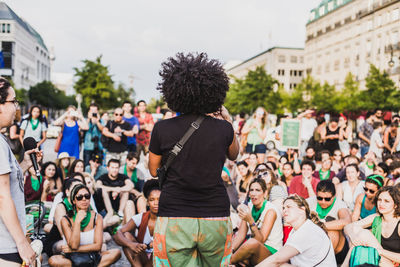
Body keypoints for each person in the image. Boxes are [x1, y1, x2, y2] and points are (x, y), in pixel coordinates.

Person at [148, 52, 239, 266]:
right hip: (215, 213)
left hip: (175, 214)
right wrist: (227, 119)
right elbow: (234, 154)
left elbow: (153, 171)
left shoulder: (162, 128)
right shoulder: (224, 128)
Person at [0, 77, 41, 266]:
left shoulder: (2, 140)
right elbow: (2, 196)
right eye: (13, 101)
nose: (17, 107)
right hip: (5, 243)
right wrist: (22, 242)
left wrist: (24, 164)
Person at [48, 184, 121, 266]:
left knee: (116, 252)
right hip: (72, 258)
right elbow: (74, 245)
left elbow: (97, 246)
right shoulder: (66, 219)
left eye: (87, 196)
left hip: (92, 256)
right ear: (74, 201)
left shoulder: (97, 217)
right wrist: (77, 222)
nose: (84, 199)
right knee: (53, 260)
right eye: (79, 197)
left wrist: (74, 250)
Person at [257, 195, 337, 266]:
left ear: (302, 210)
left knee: (276, 263)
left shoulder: (306, 231)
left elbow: (276, 260)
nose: (284, 210)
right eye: (283, 208)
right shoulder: (299, 229)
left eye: (289, 207)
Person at [231, 178, 283, 266]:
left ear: (265, 193)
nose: (254, 193)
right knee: (239, 253)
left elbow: (260, 240)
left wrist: (251, 221)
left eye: (258, 190)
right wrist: (230, 250)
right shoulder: (249, 207)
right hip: (253, 248)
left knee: (251, 243)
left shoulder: (271, 210)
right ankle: (230, 258)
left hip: (271, 251)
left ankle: (226, 262)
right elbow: (241, 235)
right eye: (251, 190)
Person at [344, 186, 400, 266]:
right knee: (357, 231)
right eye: (379, 200)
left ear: (396, 205)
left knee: (364, 234)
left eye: (386, 201)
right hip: (379, 260)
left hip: (393, 264)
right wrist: (353, 237)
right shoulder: (376, 217)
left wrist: (380, 251)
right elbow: (348, 227)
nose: (381, 204)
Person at [114, 179, 160, 267]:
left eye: (159, 199)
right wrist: (132, 245)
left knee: (156, 251)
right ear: (147, 202)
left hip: (159, 259)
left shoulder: (167, 219)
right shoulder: (141, 217)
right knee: (126, 236)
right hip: (142, 258)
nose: (156, 203)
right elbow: (118, 234)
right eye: (152, 199)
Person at [307, 180, 351, 264]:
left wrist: (320, 225)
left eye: (327, 199)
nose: (323, 201)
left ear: (334, 196)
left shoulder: (339, 204)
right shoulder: (311, 201)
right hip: (314, 243)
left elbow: (346, 221)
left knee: (333, 229)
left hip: (338, 250)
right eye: (320, 198)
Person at [96, 159, 134, 225]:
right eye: (112, 167)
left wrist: (119, 190)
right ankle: (110, 213)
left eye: (116, 168)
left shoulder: (122, 177)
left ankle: (120, 212)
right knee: (104, 191)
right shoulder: (103, 177)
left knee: (126, 192)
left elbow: (131, 185)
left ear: (119, 168)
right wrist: (114, 189)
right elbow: (97, 186)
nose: (114, 170)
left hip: (121, 204)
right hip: (106, 207)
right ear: (108, 168)